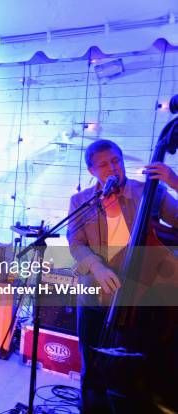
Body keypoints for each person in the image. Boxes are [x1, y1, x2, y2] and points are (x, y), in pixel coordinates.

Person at [67, 140, 178, 413]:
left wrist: (174, 181)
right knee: (91, 369)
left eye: (116, 160)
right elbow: (75, 241)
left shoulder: (149, 192)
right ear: (92, 171)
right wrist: (96, 266)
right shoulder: (81, 201)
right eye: (104, 164)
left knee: (135, 372)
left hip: (137, 301)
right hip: (95, 295)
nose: (113, 167)